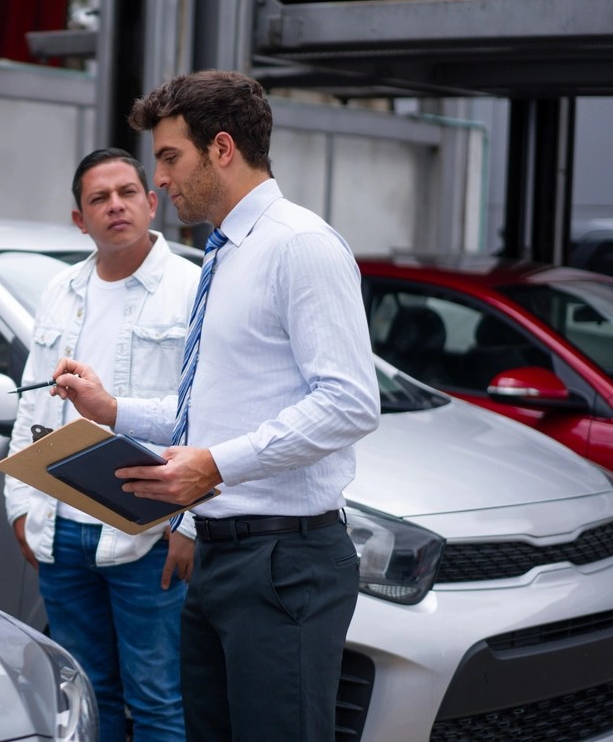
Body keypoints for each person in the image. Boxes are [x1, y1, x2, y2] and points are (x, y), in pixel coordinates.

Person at [50, 71, 380, 741]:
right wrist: (113, 411)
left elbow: (349, 402)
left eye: (170, 157)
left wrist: (216, 467)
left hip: (285, 564)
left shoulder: (299, 245)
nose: (160, 179)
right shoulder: (227, 252)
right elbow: (215, 410)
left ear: (222, 148)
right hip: (220, 557)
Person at [4, 148, 199, 742]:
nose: (115, 206)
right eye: (98, 198)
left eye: (126, 193)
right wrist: (18, 503)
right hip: (60, 530)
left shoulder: (192, 289)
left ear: (151, 202)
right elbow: (31, 399)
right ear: (78, 219)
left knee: (160, 700)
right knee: (87, 696)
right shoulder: (61, 289)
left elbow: (209, 413)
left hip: (147, 528)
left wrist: (187, 526)